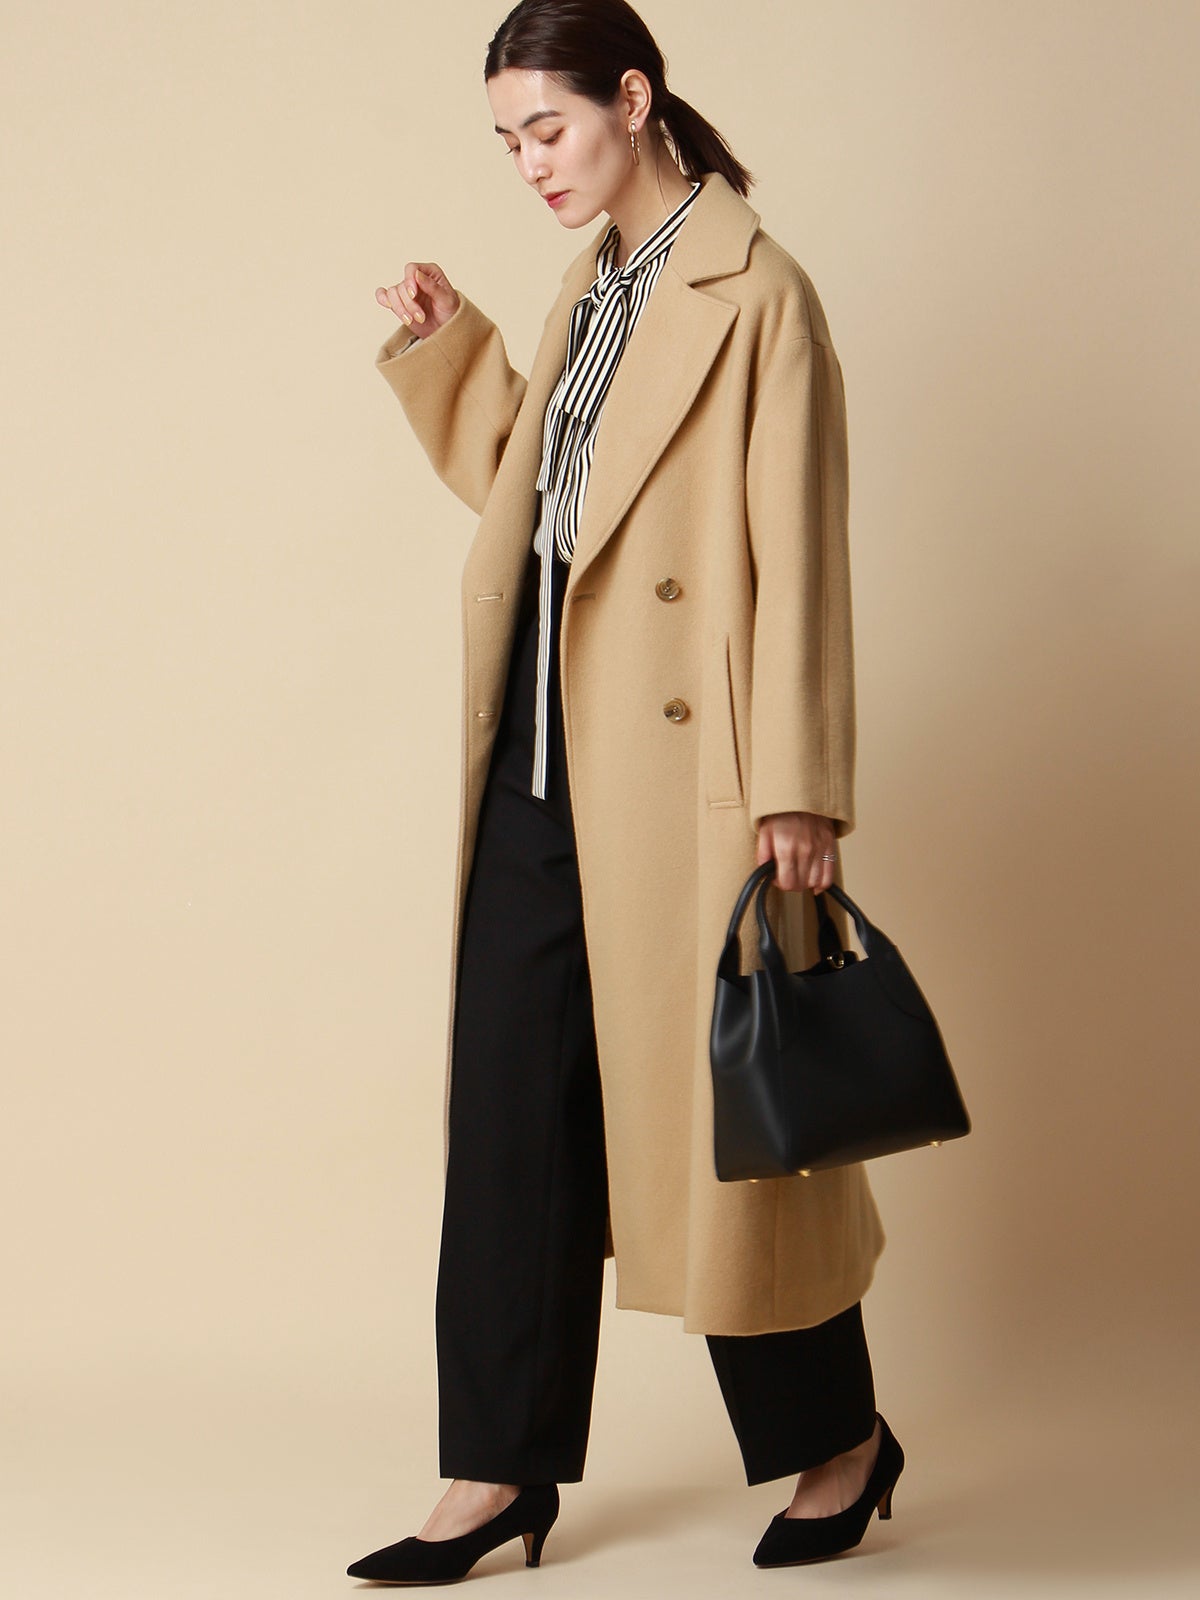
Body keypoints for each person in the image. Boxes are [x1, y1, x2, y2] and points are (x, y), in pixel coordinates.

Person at [349, 0, 903, 1582]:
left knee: (733, 1125)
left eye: (550, 127)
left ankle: (840, 1443)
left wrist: (798, 784)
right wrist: (455, 350)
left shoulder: (757, 292)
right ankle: (495, 1474)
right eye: (509, 140)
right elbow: (549, 505)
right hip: (542, 757)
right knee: (509, 1120)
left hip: (691, 774)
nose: (531, 162)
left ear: (635, 98)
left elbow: (798, 547)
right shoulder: (593, 282)